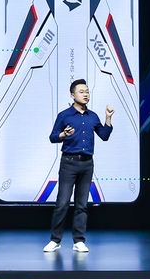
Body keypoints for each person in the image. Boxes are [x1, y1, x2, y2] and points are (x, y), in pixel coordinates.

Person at [44, 79, 114, 253]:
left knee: (81, 204)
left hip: (87, 164)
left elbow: (104, 136)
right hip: (69, 163)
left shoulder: (93, 116)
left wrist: (108, 118)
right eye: (81, 91)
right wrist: (63, 134)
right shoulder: (64, 115)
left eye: (87, 91)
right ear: (72, 95)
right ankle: (55, 240)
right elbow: (52, 137)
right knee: (62, 203)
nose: (86, 94)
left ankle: (79, 241)